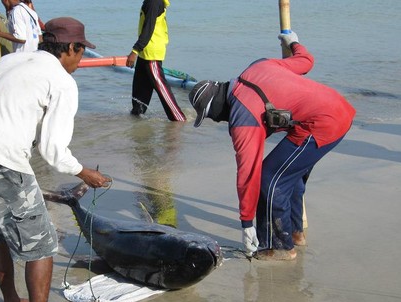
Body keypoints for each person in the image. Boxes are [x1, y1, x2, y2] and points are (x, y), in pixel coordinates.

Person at [0, 17, 111, 302]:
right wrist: (85, 173)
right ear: (70, 48)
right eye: (81, 53)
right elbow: (53, 150)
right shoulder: (61, 81)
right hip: (3, 161)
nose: (80, 62)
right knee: (43, 245)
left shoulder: (10, 60)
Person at [189, 31, 356, 261]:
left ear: (216, 107)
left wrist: (247, 223)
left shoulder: (242, 117)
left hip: (323, 124)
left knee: (269, 179)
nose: (217, 120)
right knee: (290, 175)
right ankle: (296, 233)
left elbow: (249, 174)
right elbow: (306, 62)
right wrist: (293, 43)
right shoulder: (258, 67)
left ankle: (278, 247)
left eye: (211, 116)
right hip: (337, 107)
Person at [125, 0, 185, 122]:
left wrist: (135, 51)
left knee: (161, 88)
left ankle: (179, 119)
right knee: (139, 89)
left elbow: (148, 29)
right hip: (145, 52)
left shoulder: (153, 2)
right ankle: (136, 117)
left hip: (151, 52)